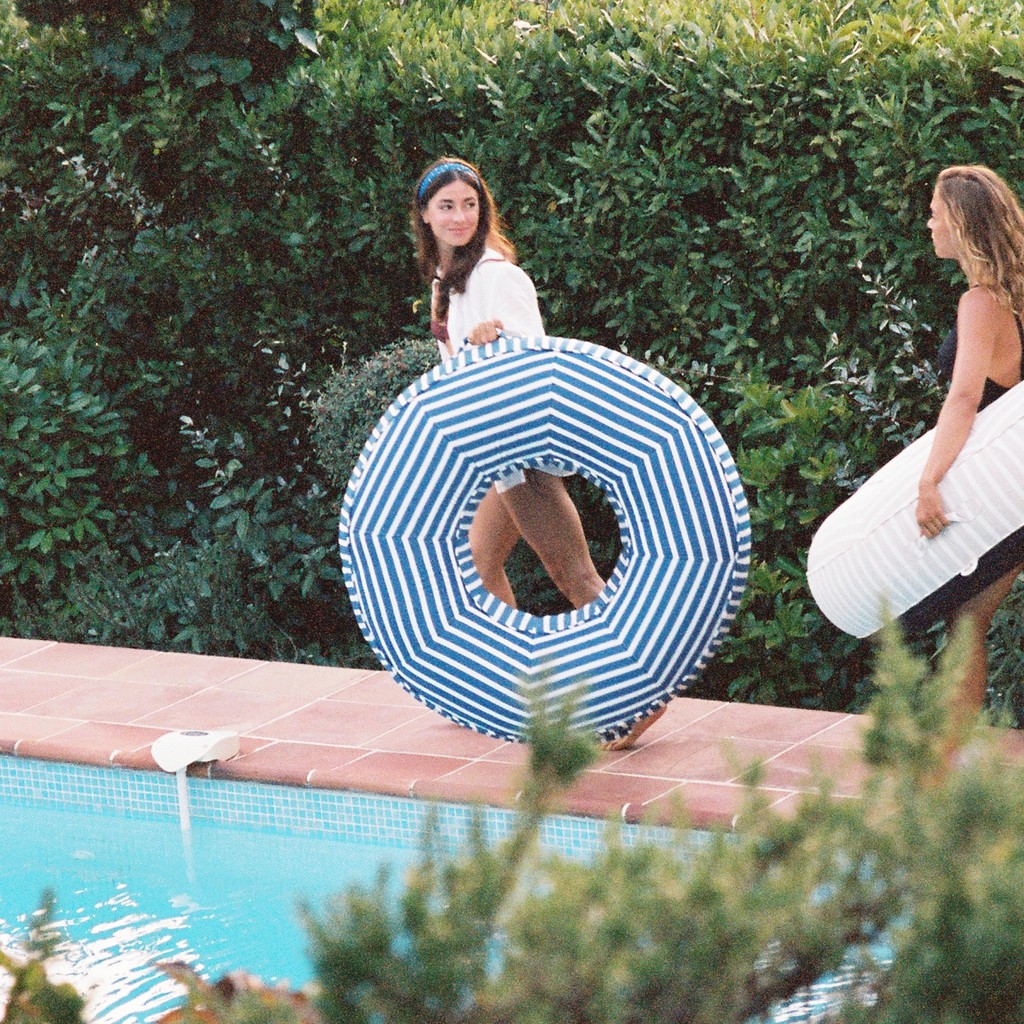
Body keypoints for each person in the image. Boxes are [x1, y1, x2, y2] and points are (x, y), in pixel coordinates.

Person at [411, 156, 664, 749]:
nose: (459, 216)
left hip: (522, 456)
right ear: (424, 215)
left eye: (469, 205)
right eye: (446, 206)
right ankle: (511, 689)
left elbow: (537, 360)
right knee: (479, 563)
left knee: (574, 576)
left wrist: (490, 349)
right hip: (494, 459)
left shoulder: (498, 277)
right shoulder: (445, 282)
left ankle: (645, 697)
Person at [903, 164, 1024, 730]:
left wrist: (929, 481)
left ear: (960, 222)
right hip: (1012, 487)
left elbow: (963, 400)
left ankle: (941, 772)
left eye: (934, 211)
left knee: (967, 620)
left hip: (1004, 497)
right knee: (968, 618)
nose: (927, 221)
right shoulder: (1015, 294)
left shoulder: (981, 303)